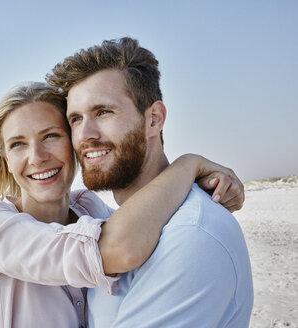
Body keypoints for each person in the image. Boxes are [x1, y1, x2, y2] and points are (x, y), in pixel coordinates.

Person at [0, 82, 245, 327]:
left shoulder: (88, 207)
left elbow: (150, 227)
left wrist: (207, 190)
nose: (36, 157)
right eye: (18, 144)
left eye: (51, 136)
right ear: (6, 161)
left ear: (74, 144)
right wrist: (188, 165)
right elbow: (120, 250)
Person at [46, 37, 253, 327]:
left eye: (103, 112)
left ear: (154, 119)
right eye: (76, 119)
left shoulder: (191, 235)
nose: (85, 135)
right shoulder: (120, 224)